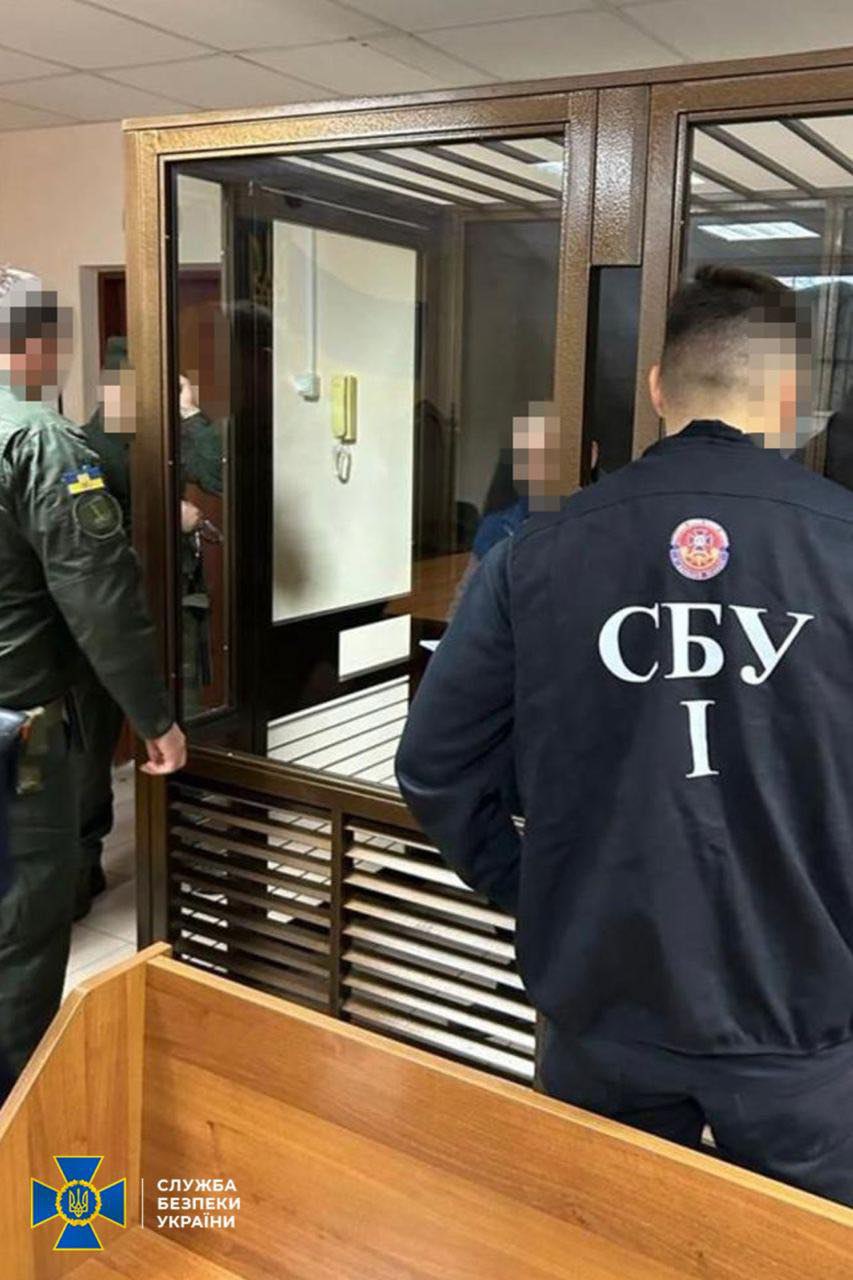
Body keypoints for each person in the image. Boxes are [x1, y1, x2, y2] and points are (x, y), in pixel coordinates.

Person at [396, 264, 853, 1207]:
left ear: (655, 387)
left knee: (597, 1236)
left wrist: (534, 889)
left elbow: (435, 766)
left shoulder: (533, 553)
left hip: (600, 995)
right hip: (805, 1008)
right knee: (801, 1250)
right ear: (791, 396)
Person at [0, 267, 186, 1086]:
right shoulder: (40, 442)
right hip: (19, 727)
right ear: (41, 343)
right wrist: (153, 716)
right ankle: (21, 1122)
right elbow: (101, 601)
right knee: (20, 934)